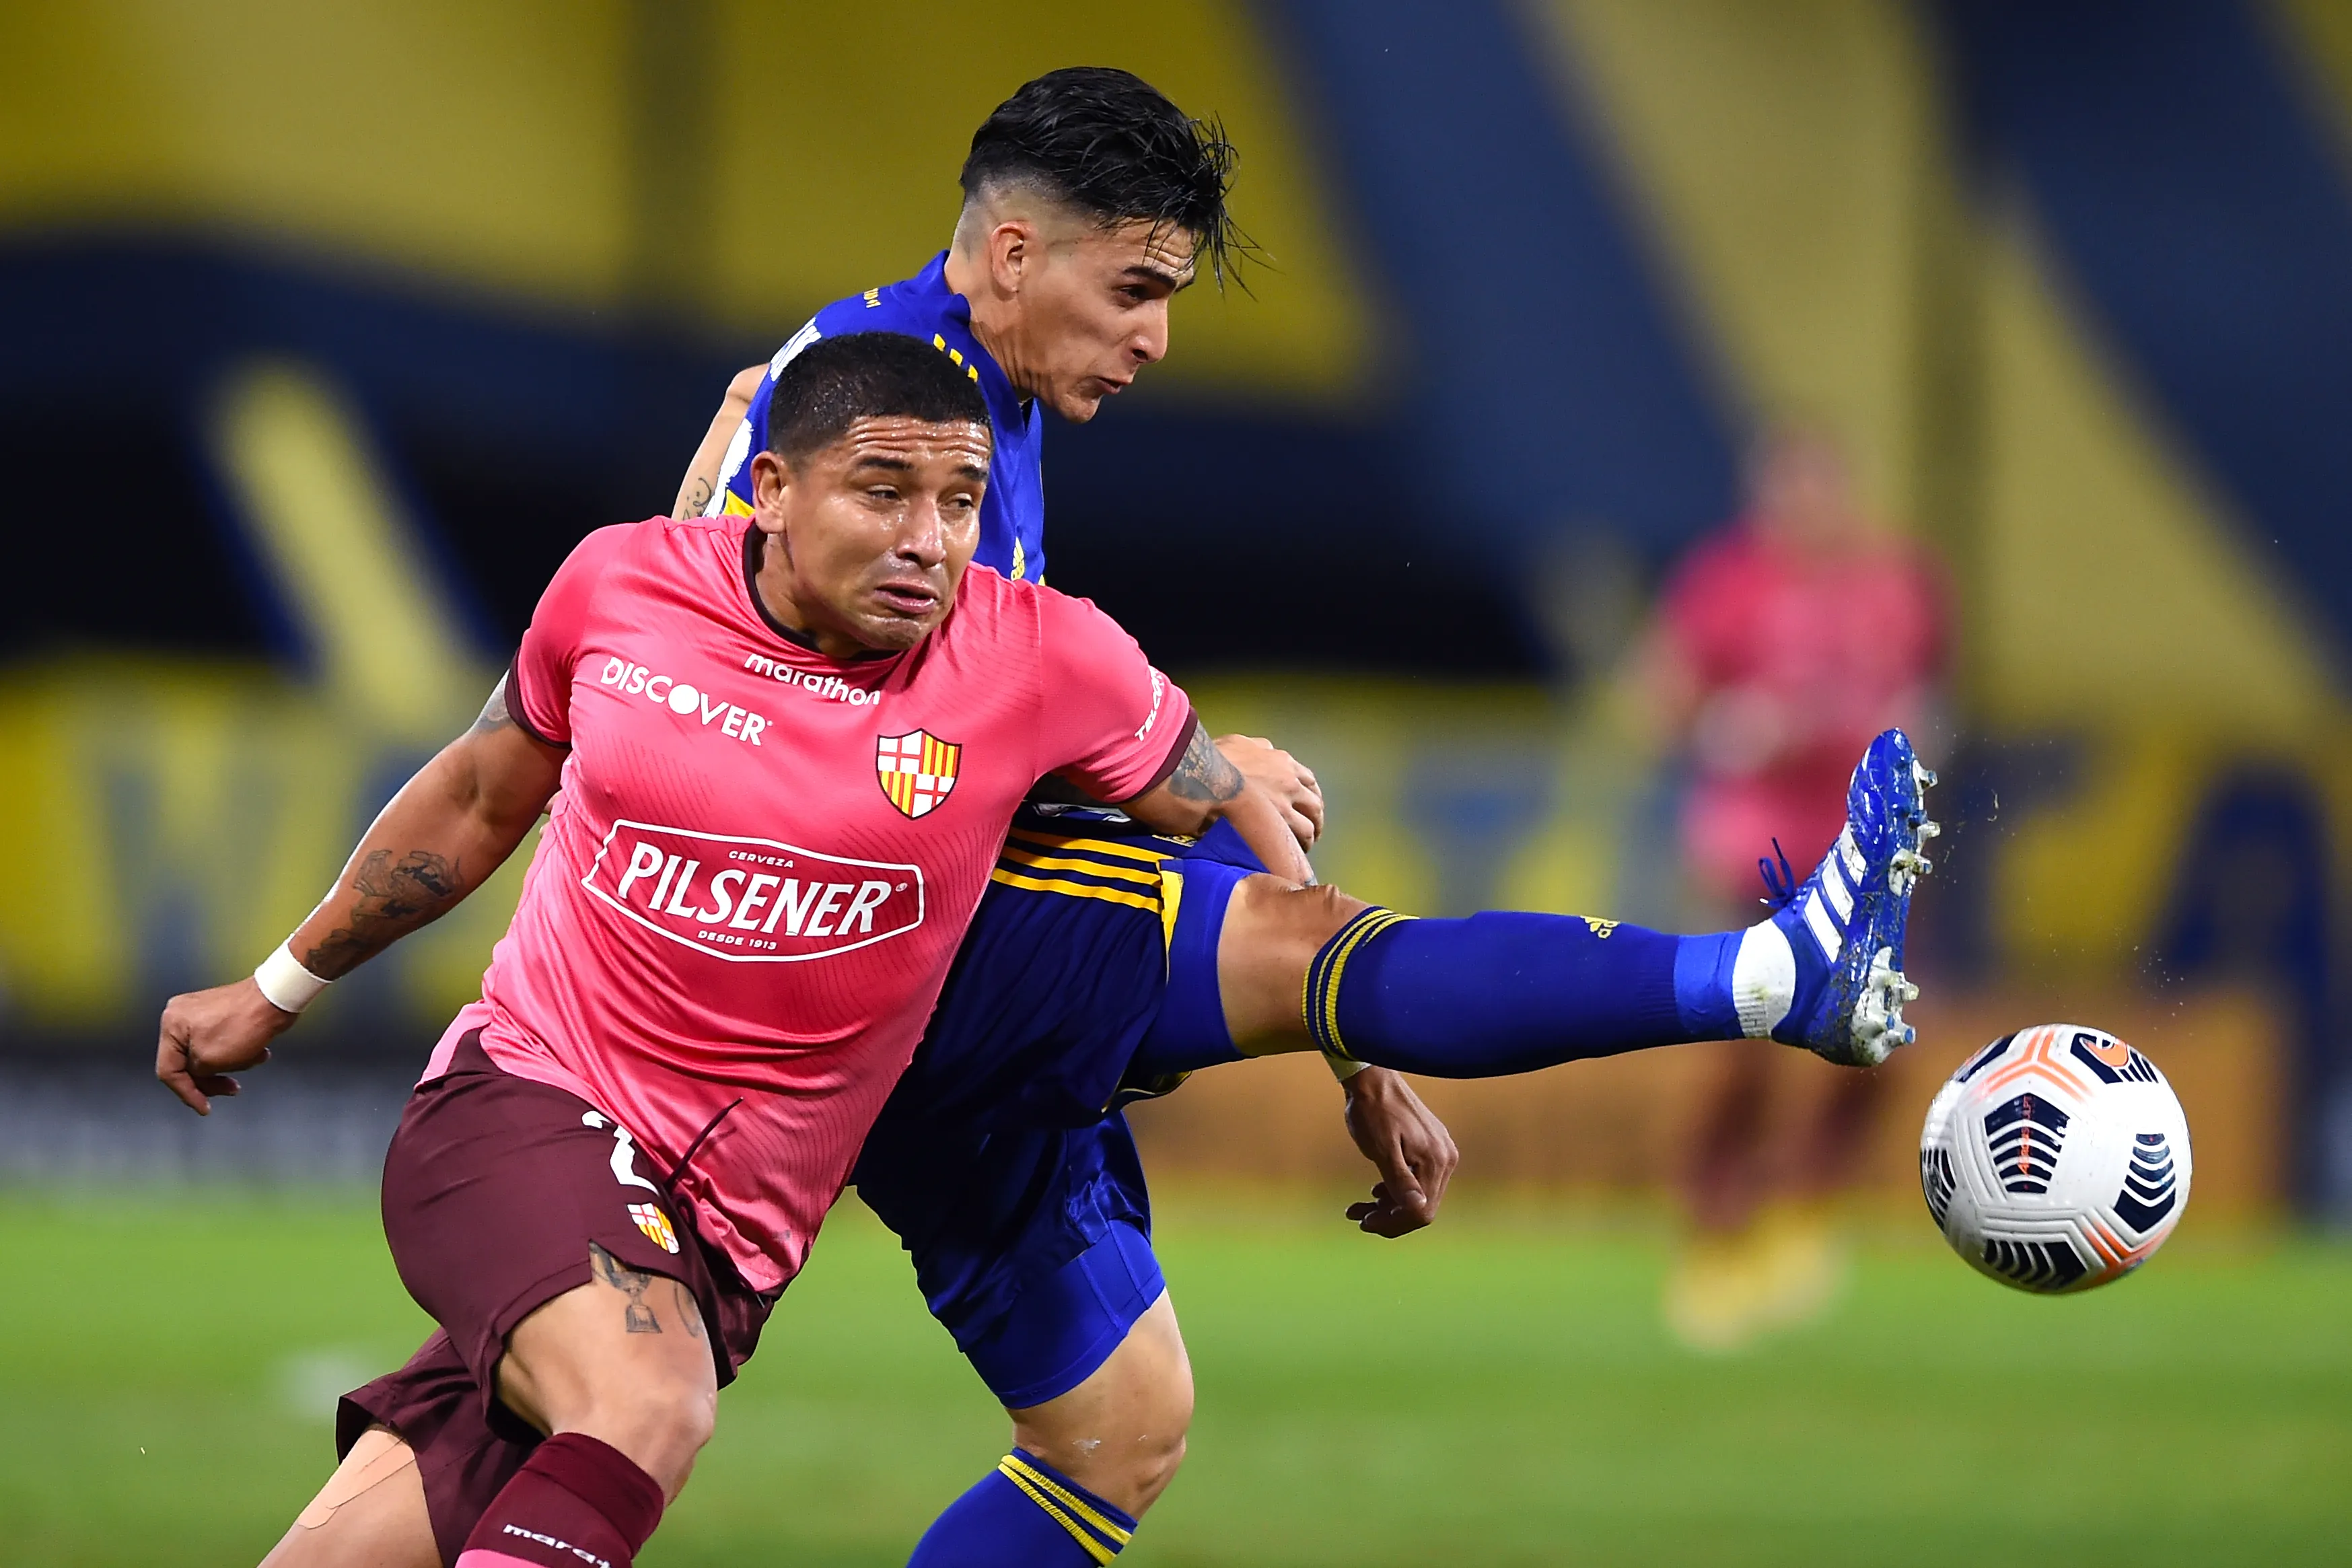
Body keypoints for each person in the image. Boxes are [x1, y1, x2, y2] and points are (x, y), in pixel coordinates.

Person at [158, 332, 1300, 1568]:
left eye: (962, 502)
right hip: (526, 1108)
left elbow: (1235, 805)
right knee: (649, 1402)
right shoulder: (620, 587)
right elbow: (481, 797)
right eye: (883, 492)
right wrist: (278, 987)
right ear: (770, 490)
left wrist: (1367, 1072)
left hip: (721, 1242)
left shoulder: (1035, 653)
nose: (929, 537)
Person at [664, 66, 1462, 1558]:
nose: (1157, 339)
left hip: (893, 965)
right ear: (1018, 253)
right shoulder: (890, 405)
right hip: (792, 993)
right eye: (1137, 288)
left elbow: (986, 723)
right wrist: (1184, 792)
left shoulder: (976, 401)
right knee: (583, 1410)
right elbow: (797, 741)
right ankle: (1765, 977)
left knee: (1126, 1425)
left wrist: (1339, 1029)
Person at [1640, 427, 1949, 1351]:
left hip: (1858, 851)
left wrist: (1909, 747)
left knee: (1874, 1047)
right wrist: (1728, 725)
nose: (1802, 504)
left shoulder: (1898, 582)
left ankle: (1803, 1214)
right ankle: (1711, 1232)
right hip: (1750, 846)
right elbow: (1657, 698)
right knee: (1739, 1047)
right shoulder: (1724, 581)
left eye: (1818, 484)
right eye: (1786, 487)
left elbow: (1929, 695)